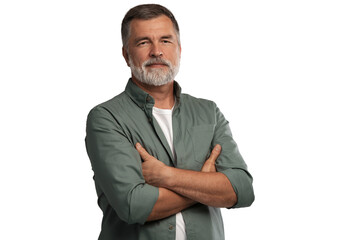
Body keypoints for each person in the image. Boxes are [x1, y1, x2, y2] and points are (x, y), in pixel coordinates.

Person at [85, 4, 254, 240]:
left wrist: (166, 176)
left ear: (179, 49)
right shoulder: (106, 117)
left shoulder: (208, 112)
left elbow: (243, 190)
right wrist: (206, 184)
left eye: (166, 40)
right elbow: (133, 205)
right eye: (143, 42)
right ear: (126, 54)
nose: (157, 51)